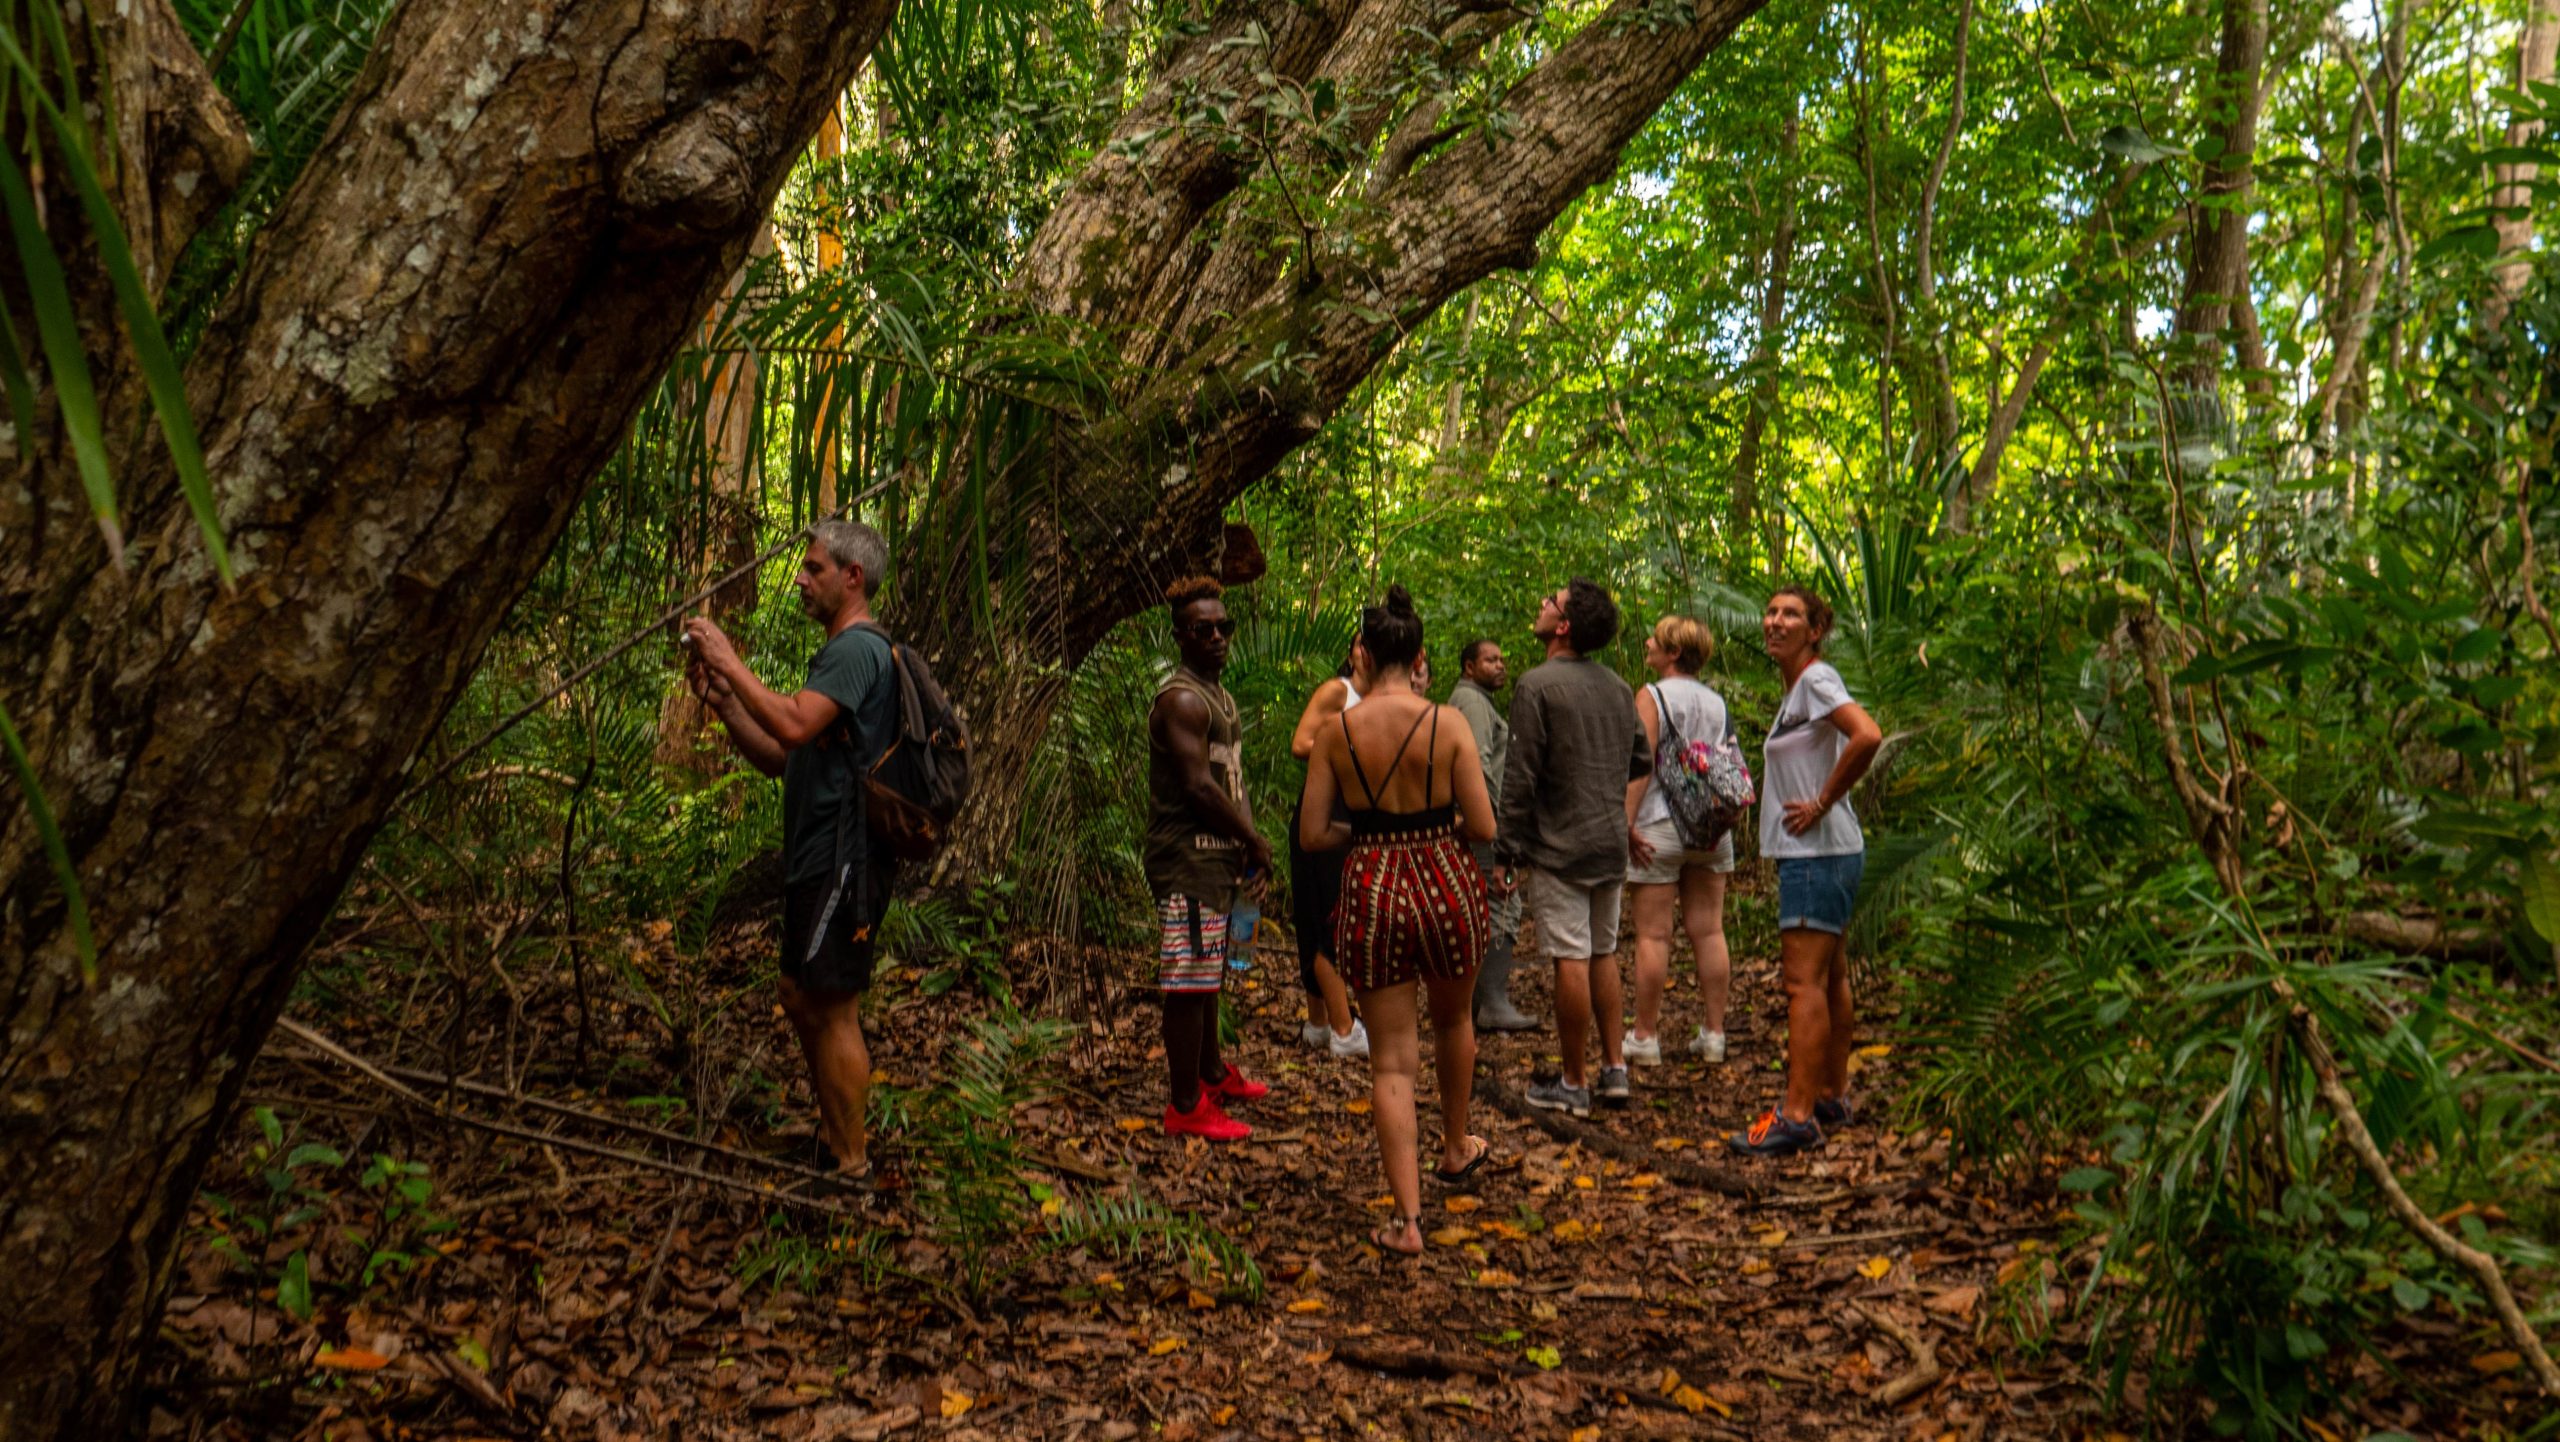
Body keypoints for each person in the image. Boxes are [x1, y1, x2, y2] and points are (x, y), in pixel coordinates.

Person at [683, 521, 900, 1184]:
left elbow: (795, 721)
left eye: (813, 569)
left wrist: (728, 659)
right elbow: (782, 755)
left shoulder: (858, 649)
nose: (800, 582)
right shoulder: (837, 655)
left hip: (846, 855)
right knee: (799, 993)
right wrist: (723, 701)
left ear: (852, 578)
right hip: (818, 854)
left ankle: (852, 1162)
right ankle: (836, 1141)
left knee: (830, 1004)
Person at [1301, 586, 1495, 1254]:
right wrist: (1437, 829)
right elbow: (1486, 824)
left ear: (1362, 652)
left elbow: (1313, 834)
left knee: (1390, 1057)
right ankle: (1454, 1145)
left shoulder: (1335, 733)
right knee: (1455, 1019)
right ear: (1416, 657)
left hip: (1373, 885)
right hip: (1446, 879)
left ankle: (1408, 1222)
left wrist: (1372, 836)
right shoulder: (1449, 724)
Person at [1728, 586, 1882, 1157]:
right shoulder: (1800, 689)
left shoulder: (1816, 680)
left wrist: (1821, 800)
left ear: (1815, 629)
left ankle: (1795, 1116)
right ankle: (1829, 1095)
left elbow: (1867, 734)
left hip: (1816, 853)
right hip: (1826, 852)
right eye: (1770, 612)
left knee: (1802, 984)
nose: (1775, 621)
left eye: (1790, 614)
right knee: (1828, 976)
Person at [1494, 578, 1649, 1118]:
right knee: (1602, 951)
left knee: (1571, 957)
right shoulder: (1617, 686)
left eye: (1550, 602)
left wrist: (1505, 854)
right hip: (1607, 844)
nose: (1541, 603)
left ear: (1563, 626)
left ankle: (1574, 1082)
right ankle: (1614, 1069)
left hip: (1560, 847)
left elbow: (1520, 778)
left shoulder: (1536, 685)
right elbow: (1640, 760)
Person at [1145, 576, 1275, 1140]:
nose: (1218, 637)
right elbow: (1198, 787)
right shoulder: (1181, 699)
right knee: (1189, 980)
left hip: (1217, 857)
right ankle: (1185, 1105)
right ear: (1181, 636)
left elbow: (1230, 779)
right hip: (1187, 858)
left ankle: (1211, 1073)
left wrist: (1246, 841)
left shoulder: (1218, 695)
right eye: (1204, 630)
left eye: (1225, 627)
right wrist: (1253, 840)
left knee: (1208, 972)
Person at [1621, 616, 1738, 1066]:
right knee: (1709, 930)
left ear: (1672, 653)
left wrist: (1626, 823)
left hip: (1658, 824)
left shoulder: (1652, 695)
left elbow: (1641, 763)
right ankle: (1714, 1034)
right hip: (1710, 827)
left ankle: (1645, 1036)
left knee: (1654, 934)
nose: (1647, 641)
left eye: (1655, 638)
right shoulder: (1716, 701)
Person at [1286, 650, 1374, 1060]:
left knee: (1321, 912)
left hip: (1352, 812)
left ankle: (1318, 1023)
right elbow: (1301, 743)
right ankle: (1344, 1030)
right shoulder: (1338, 692)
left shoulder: (1386, 697)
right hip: (1324, 807)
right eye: (1360, 642)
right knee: (1327, 917)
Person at [1450, 638, 1533, 1031]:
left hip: (1487, 824)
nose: (1500, 665)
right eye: (1490, 660)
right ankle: (1492, 1004)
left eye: (1502, 659)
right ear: (1469, 667)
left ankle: (1483, 1002)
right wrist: (1496, 826)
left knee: (1493, 902)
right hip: (1486, 827)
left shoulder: (1479, 702)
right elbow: (1477, 767)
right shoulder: (1470, 702)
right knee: (1503, 903)